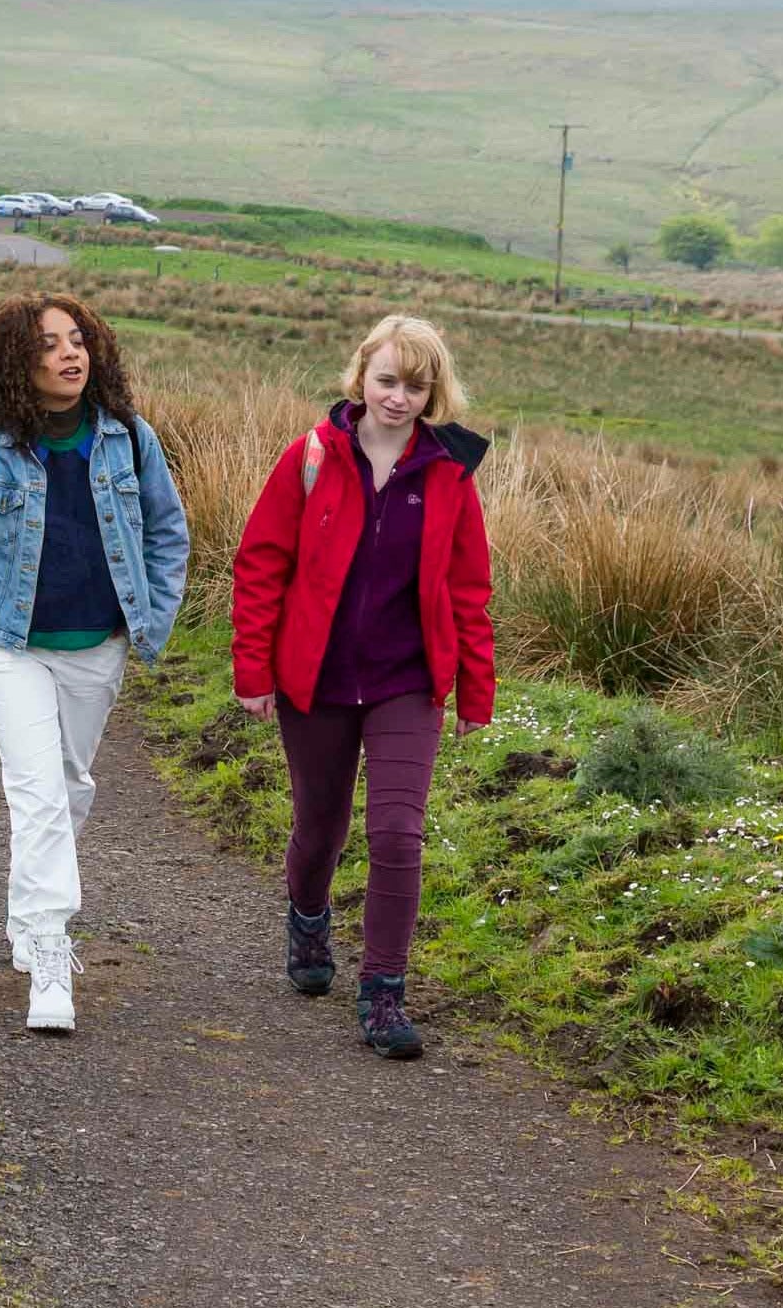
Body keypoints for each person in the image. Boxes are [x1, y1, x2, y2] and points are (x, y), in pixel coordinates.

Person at [0, 294, 191, 1033]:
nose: (70, 354)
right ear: (15, 361)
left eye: (78, 340)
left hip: (95, 648)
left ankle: (23, 916)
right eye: (49, 344)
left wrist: (152, 621)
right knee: (37, 794)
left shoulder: (130, 439)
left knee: (67, 791)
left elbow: (169, 533)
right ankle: (49, 953)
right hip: (7, 649)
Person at [232, 313, 495, 1060]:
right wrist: (253, 669)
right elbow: (261, 566)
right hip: (313, 678)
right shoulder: (311, 458)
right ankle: (308, 915)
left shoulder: (447, 473)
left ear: (433, 392)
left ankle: (383, 991)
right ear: (360, 376)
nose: (399, 397)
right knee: (320, 825)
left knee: (397, 832)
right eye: (387, 380)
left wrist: (476, 689)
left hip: (406, 682)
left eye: (416, 385)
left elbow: (468, 588)